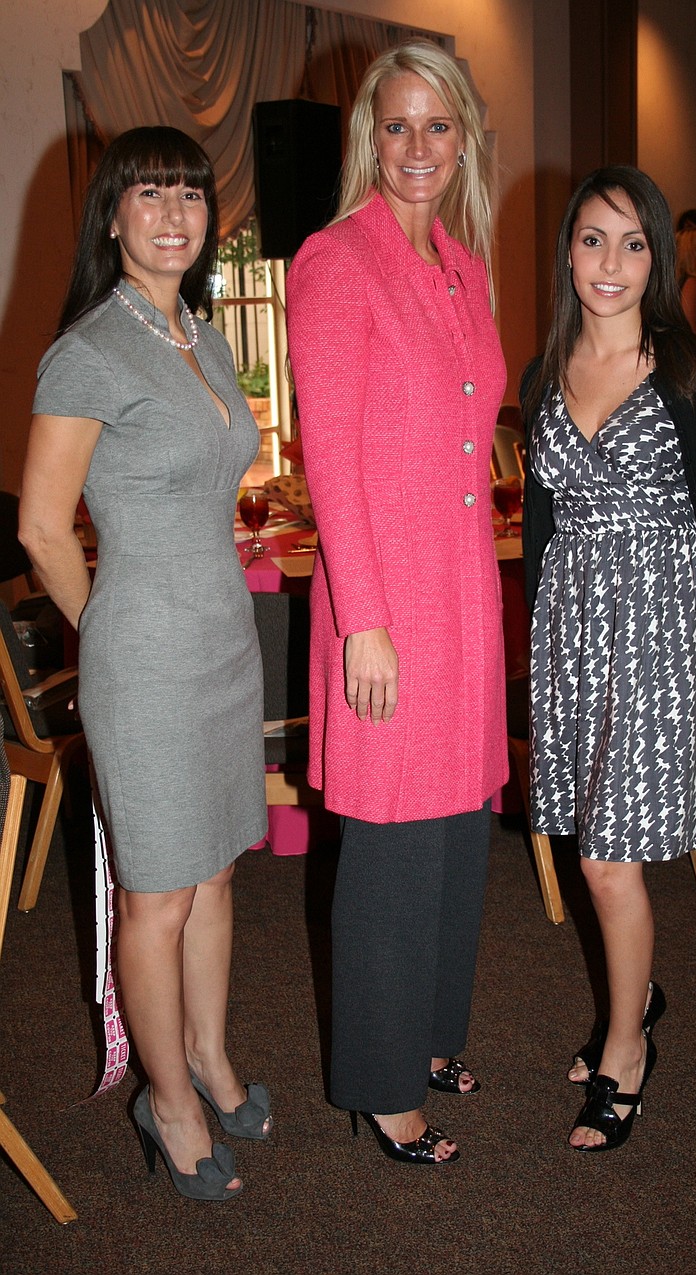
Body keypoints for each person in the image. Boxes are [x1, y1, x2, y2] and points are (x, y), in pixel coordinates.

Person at [18, 127, 271, 1201]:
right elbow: (39, 529)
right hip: (147, 658)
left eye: (189, 194)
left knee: (215, 872)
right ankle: (165, 1102)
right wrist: (115, 623)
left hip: (224, 642)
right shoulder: (86, 351)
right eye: (149, 194)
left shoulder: (200, 339)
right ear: (112, 215)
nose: (174, 214)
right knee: (157, 895)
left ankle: (208, 1058)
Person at [286, 41, 507, 1165]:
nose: (416, 148)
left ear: (462, 135)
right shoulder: (337, 260)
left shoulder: (462, 265)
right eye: (395, 127)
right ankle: (380, 1085)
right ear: (370, 138)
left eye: (436, 126)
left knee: (457, 833)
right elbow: (328, 456)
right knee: (386, 846)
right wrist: (362, 619)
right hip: (385, 605)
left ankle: (425, 1034)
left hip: (462, 597)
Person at [522, 166, 696, 1152]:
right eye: (590, 240)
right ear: (567, 251)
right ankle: (640, 992)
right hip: (571, 628)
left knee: (611, 861)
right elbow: (538, 517)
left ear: (657, 257)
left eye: (631, 243)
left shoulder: (690, 368)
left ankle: (625, 1047)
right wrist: (540, 643)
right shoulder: (544, 372)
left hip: (658, 628)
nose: (609, 263)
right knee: (590, 844)